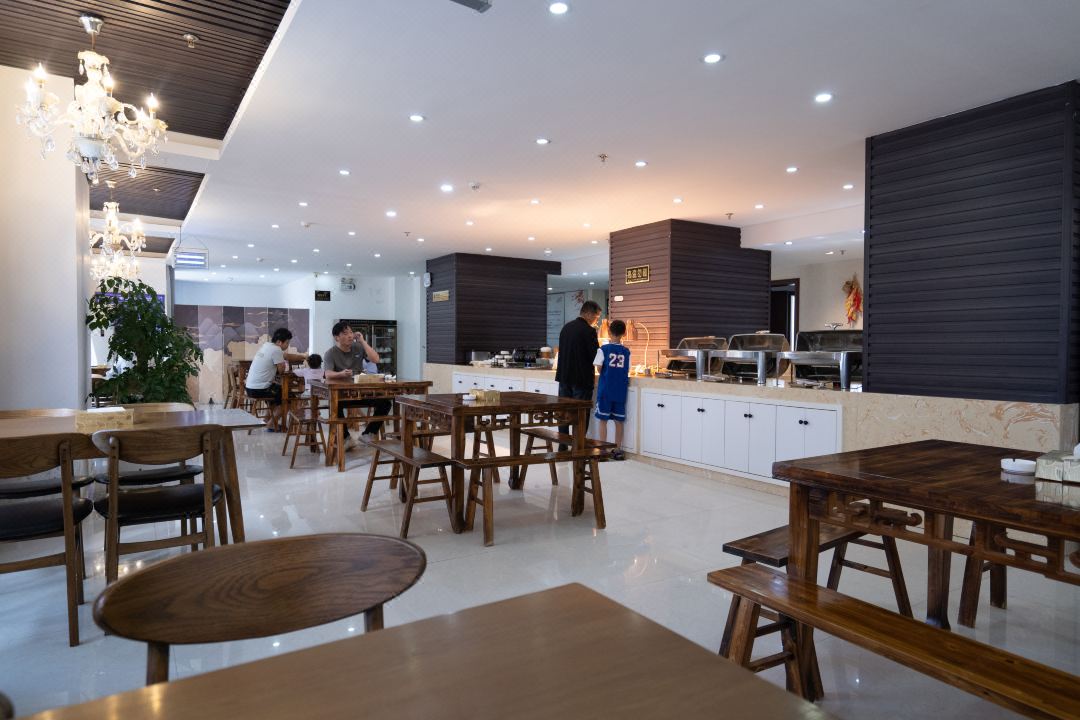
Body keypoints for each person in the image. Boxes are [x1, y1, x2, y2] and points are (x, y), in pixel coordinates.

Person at [323, 321, 392, 449]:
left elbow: (376, 359)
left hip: (360, 392)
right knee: (335, 405)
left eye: (351, 332)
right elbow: (327, 374)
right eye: (345, 333)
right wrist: (341, 374)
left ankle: (368, 434)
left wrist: (363, 341)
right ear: (337, 337)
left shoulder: (358, 347)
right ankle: (346, 438)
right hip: (342, 395)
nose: (350, 335)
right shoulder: (330, 353)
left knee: (385, 402)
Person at [555, 300, 601, 447]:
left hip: (564, 377)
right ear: (589, 314)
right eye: (596, 317)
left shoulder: (566, 328)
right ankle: (578, 445)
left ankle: (562, 444)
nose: (596, 320)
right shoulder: (589, 331)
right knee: (581, 414)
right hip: (581, 378)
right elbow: (595, 355)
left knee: (563, 412)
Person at [593, 320, 630, 460]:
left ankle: (603, 451)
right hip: (620, 391)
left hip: (605, 390)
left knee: (603, 420)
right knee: (618, 421)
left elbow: (599, 368)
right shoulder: (626, 351)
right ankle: (618, 450)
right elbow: (627, 369)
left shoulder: (603, 349)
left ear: (609, 332)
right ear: (624, 333)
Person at [245, 327, 293, 430]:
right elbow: (281, 370)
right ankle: (271, 424)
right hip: (260, 389)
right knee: (288, 398)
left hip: (250, 388)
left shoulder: (266, 346)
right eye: (287, 343)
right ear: (279, 342)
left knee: (277, 393)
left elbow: (283, 358)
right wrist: (283, 365)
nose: (287, 345)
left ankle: (267, 420)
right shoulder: (276, 350)